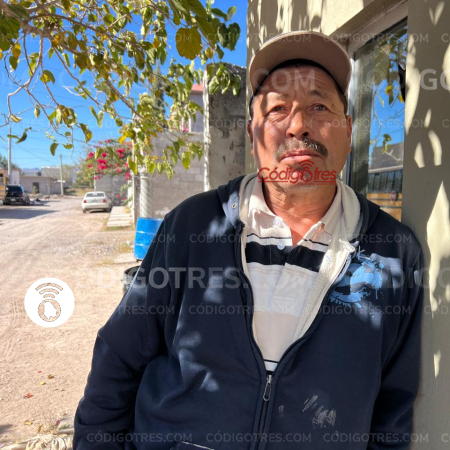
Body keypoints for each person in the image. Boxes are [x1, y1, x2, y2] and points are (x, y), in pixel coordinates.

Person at [74, 30, 423, 450]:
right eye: (278, 110)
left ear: (348, 131)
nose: (299, 126)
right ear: (253, 134)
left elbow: (393, 408)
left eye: (319, 107)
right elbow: (119, 356)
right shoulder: (194, 225)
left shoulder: (393, 252)